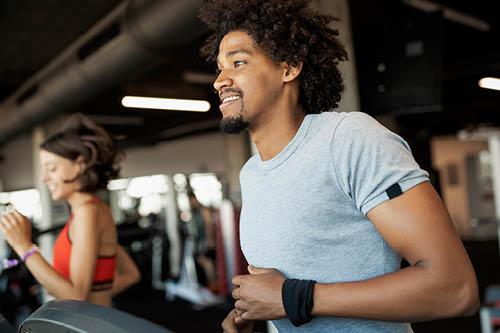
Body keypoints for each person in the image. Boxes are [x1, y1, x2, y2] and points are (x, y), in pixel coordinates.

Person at [198, 0, 479, 332]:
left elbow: (455, 288)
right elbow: (279, 293)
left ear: (289, 67)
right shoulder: (251, 173)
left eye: (238, 62)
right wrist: (253, 311)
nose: (220, 81)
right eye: (219, 68)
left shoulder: (349, 140)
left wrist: (295, 298)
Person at [0, 114, 140, 307]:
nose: (44, 178)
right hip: (93, 318)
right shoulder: (93, 210)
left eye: (52, 168)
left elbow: (76, 296)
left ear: (78, 165)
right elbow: (131, 274)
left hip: (88, 324)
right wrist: (99, 297)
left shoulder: (87, 213)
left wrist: (24, 247)